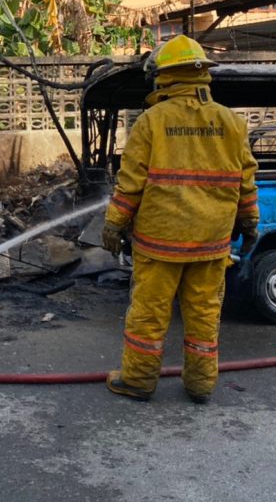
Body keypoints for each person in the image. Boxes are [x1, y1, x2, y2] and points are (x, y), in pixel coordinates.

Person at [101, 35, 259, 405]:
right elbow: (246, 180)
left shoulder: (152, 122)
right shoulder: (231, 123)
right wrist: (250, 224)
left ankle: (139, 381)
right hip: (211, 244)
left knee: (148, 316)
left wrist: (113, 224)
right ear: (202, 75)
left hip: (160, 244)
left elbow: (131, 183)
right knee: (204, 317)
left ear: (165, 78)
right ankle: (201, 385)